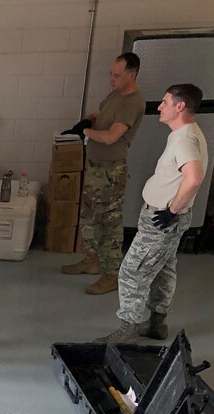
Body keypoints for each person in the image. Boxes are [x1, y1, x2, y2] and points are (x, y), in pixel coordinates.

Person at [96, 84, 208, 345]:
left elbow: (194, 179)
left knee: (131, 272)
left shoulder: (185, 138)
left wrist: (171, 210)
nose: (160, 106)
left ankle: (128, 328)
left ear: (180, 106)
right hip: (168, 217)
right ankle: (157, 324)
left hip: (163, 219)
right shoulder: (183, 133)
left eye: (165, 102)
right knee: (163, 270)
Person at [60, 53, 145, 296]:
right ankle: (92, 260)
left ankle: (111, 275)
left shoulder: (133, 102)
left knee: (109, 224)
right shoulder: (115, 95)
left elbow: (110, 137)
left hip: (111, 172)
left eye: (117, 75)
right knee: (90, 218)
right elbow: (97, 114)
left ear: (132, 74)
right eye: (111, 73)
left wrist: (84, 131)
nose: (112, 78)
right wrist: (85, 121)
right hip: (95, 167)